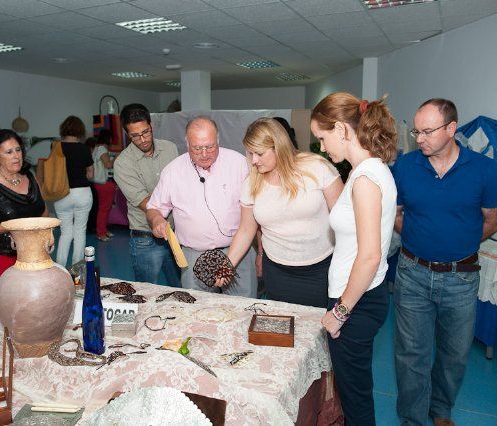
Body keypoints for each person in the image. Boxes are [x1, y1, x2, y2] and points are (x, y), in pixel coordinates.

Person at [392, 99, 497, 426]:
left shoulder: (484, 170)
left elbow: (494, 219)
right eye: (417, 131)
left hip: (462, 277)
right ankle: (412, 419)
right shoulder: (406, 166)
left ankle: (441, 411)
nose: (420, 138)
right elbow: (396, 215)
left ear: (451, 129)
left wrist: (459, 242)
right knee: (411, 355)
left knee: (453, 355)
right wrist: (419, 238)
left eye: (428, 131)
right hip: (413, 273)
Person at [311, 93, 398, 426]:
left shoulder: (364, 179)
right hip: (360, 297)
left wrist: (340, 312)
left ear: (341, 129)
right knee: (354, 392)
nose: (321, 147)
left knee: (355, 398)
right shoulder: (369, 171)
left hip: (356, 303)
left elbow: (371, 255)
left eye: (322, 137)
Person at [219, 117, 343, 307]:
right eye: (250, 153)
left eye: (259, 153)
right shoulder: (251, 182)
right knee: (283, 328)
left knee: (318, 330)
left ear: (278, 146)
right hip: (277, 272)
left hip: (321, 270)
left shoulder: (317, 167)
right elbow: (245, 230)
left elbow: (344, 220)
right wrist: (226, 267)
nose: (254, 160)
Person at [146, 116, 257, 298]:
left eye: (210, 147)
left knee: (245, 306)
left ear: (218, 140)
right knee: (197, 309)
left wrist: (259, 252)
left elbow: (256, 213)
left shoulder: (239, 164)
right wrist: (157, 219)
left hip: (238, 251)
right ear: (187, 143)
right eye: (197, 148)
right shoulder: (173, 171)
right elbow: (154, 208)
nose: (204, 154)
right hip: (193, 255)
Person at [0, 129, 48, 300]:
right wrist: (14, 228)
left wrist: (45, 234)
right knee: (10, 306)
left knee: (36, 304)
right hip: (1, 256)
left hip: (34, 253)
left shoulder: (30, 177)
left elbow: (43, 211)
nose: (16, 156)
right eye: (9, 152)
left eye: (18, 150)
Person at [114, 103, 180, 287]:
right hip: (146, 239)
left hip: (176, 234)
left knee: (182, 288)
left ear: (151, 125)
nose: (142, 140)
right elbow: (146, 202)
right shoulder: (123, 164)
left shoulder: (170, 149)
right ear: (127, 134)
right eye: (135, 136)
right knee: (147, 292)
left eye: (146, 132)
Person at [53, 115, 93, 267]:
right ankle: (77, 272)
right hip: (82, 193)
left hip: (61, 194)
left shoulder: (55, 147)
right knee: (80, 232)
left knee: (65, 233)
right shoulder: (84, 149)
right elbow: (91, 174)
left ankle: (60, 268)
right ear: (80, 131)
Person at [91, 129, 116, 242]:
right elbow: (108, 165)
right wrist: (117, 158)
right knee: (104, 209)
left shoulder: (97, 148)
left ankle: (103, 230)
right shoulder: (102, 149)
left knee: (105, 208)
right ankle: (101, 232)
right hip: (104, 183)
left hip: (100, 183)